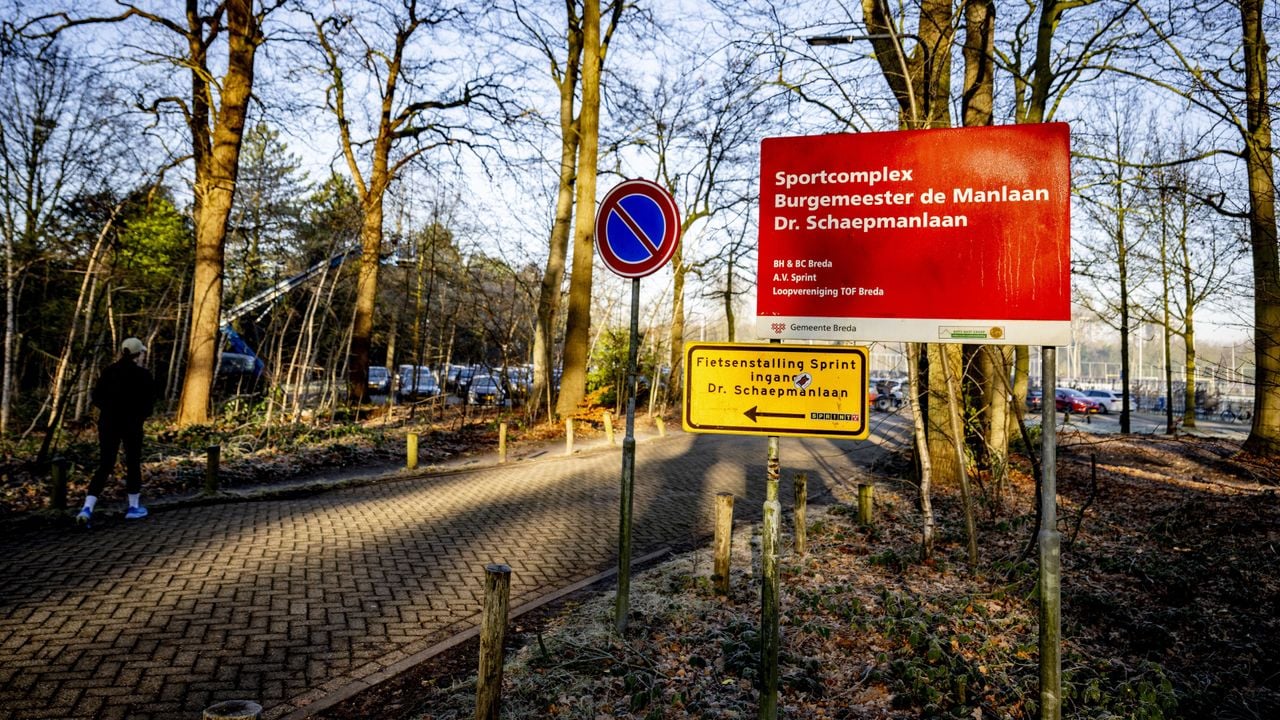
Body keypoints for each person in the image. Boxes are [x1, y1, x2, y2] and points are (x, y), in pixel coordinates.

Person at [76, 337, 157, 526]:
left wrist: (109, 409)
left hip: (108, 423)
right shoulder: (143, 375)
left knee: (105, 464)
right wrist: (139, 415)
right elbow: (150, 402)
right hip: (132, 425)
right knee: (133, 462)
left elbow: (96, 397)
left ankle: (87, 507)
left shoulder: (108, 372)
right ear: (138, 354)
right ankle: (133, 507)